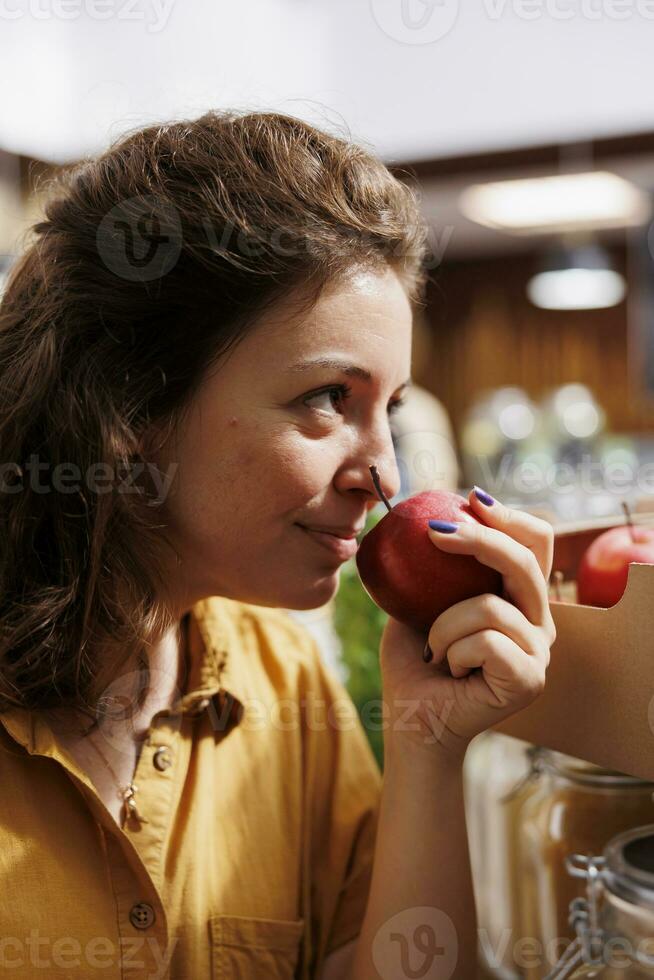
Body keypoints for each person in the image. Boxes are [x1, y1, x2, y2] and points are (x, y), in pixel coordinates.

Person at [0, 110, 555, 980]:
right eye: (330, 397)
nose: (383, 477)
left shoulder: (285, 685)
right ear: (131, 409)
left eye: (390, 411)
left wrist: (429, 747)